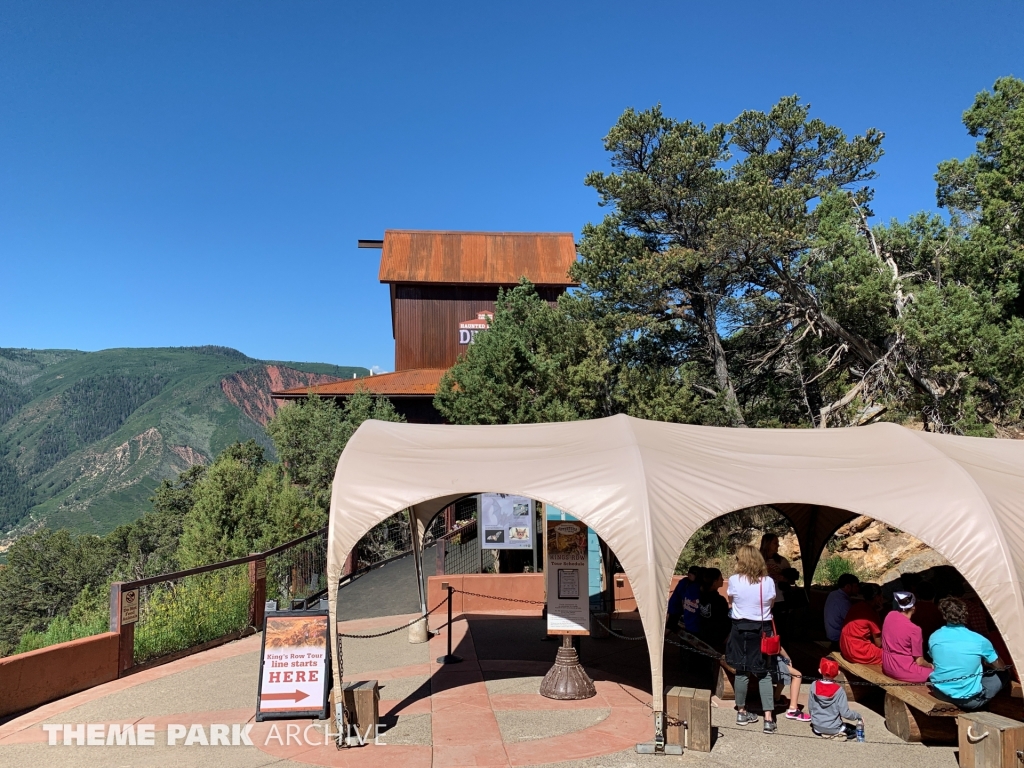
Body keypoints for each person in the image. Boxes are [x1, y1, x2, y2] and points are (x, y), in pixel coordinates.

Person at [725, 545, 778, 735]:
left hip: (739, 628)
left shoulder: (734, 580)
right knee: (764, 673)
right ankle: (768, 719)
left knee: (742, 671)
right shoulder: (768, 582)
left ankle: (741, 712)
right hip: (761, 629)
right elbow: (771, 604)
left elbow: (731, 602)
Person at [929, 596, 1008, 711]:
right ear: (966, 615)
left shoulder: (934, 636)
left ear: (944, 616)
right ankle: (984, 706)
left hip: (940, 692)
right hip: (968, 701)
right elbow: (1001, 666)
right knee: (1004, 674)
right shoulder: (979, 640)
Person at [881, 591, 933, 683]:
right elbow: (920, 661)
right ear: (913, 607)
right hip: (902, 670)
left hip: (887, 665)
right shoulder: (915, 629)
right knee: (937, 674)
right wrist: (931, 665)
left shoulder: (890, 615)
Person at [809, 658, 862, 740]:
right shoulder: (839, 691)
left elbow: (810, 707)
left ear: (819, 670)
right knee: (855, 729)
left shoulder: (814, 685)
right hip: (834, 728)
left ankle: (824, 732)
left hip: (816, 727)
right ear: (838, 673)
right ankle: (837, 734)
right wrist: (858, 716)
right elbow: (845, 713)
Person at [839, 583, 883, 665]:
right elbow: (879, 643)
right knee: (889, 656)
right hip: (856, 651)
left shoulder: (856, 606)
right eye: (881, 596)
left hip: (845, 647)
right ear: (877, 597)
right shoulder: (870, 613)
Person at [697, 567, 730, 651]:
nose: (723, 580)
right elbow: (724, 621)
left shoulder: (700, 595)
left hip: (702, 632)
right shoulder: (719, 601)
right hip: (716, 637)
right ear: (715, 582)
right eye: (720, 578)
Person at [776, 644, 811, 722]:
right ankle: (793, 709)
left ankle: (776, 698)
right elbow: (777, 646)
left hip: (754, 658)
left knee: (782, 671)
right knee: (797, 675)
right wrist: (787, 658)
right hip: (769, 661)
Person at [824, 573, 860, 645]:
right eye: (856, 586)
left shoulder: (833, 594)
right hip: (838, 638)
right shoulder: (843, 602)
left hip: (830, 634)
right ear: (848, 587)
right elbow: (853, 622)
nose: (858, 589)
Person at [667, 566, 702, 634]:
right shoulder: (684, 582)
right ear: (689, 575)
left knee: (673, 625)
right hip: (675, 607)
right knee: (671, 625)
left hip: (677, 607)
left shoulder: (688, 582)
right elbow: (683, 599)